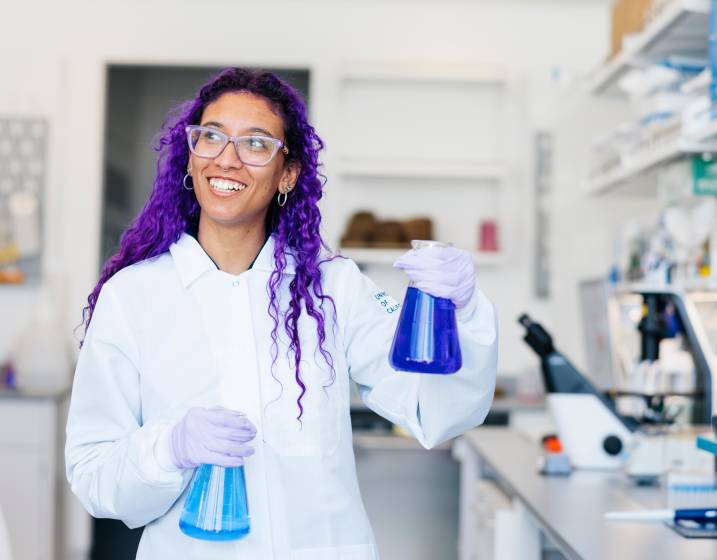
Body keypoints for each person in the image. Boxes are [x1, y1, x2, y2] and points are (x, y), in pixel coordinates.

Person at [65, 68, 498, 560]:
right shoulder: (134, 296)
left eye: (254, 144)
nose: (226, 159)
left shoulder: (332, 286)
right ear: (191, 156)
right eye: (211, 137)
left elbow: (433, 412)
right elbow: (93, 474)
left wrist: (461, 311)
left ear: (287, 173)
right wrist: (169, 449)